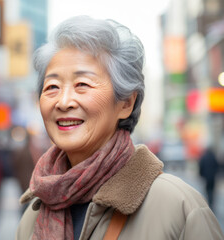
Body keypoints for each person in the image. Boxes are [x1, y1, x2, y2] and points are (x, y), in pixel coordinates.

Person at [16, 15, 224, 240]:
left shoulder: (178, 207)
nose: (64, 102)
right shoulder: (33, 213)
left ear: (126, 103)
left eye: (82, 84)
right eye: (52, 87)